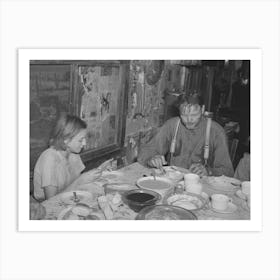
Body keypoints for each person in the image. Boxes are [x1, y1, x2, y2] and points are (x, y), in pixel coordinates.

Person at [138, 94, 234, 177]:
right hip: (174, 179)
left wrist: (209, 171)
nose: (189, 120)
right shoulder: (172, 126)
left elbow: (228, 171)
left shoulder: (216, 132)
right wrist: (151, 159)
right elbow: (145, 152)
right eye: (184, 115)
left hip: (202, 184)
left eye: (194, 115)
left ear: (203, 109)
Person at [33, 114, 104, 201]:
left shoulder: (73, 153)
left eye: (84, 139)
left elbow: (76, 183)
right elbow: (51, 200)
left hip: (69, 198)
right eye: (80, 140)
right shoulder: (50, 159)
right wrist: (80, 181)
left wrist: (95, 174)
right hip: (44, 207)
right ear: (65, 140)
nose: (84, 143)